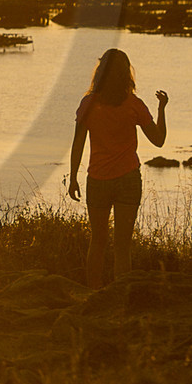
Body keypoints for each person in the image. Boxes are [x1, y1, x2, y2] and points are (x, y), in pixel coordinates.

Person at [67, 48, 168, 286]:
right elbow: (159, 140)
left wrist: (73, 178)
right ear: (126, 74)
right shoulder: (134, 104)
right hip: (128, 179)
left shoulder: (88, 104)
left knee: (98, 242)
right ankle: (121, 297)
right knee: (123, 246)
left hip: (98, 179)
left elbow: (77, 144)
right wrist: (162, 109)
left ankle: (93, 294)